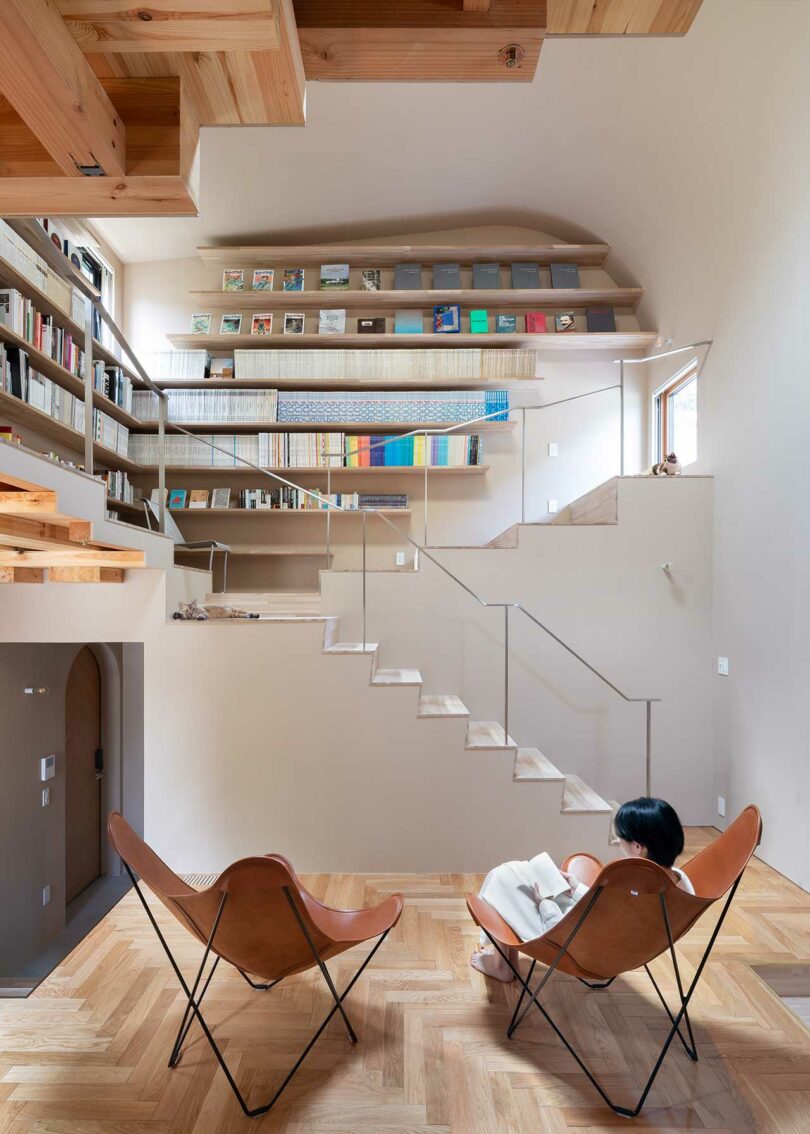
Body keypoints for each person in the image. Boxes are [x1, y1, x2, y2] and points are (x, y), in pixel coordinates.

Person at [471, 796, 695, 983]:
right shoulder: (680, 886)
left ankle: (502, 964)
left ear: (638, 847)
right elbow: (606, 915)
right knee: (517, 875)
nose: (619, 842)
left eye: (621, 837)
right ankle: (502, 958)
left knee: (503, 877)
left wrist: (545, 904)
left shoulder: (631, 884)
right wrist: (575, 888)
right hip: (612, 946)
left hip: (580, 949)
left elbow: (576, 932)